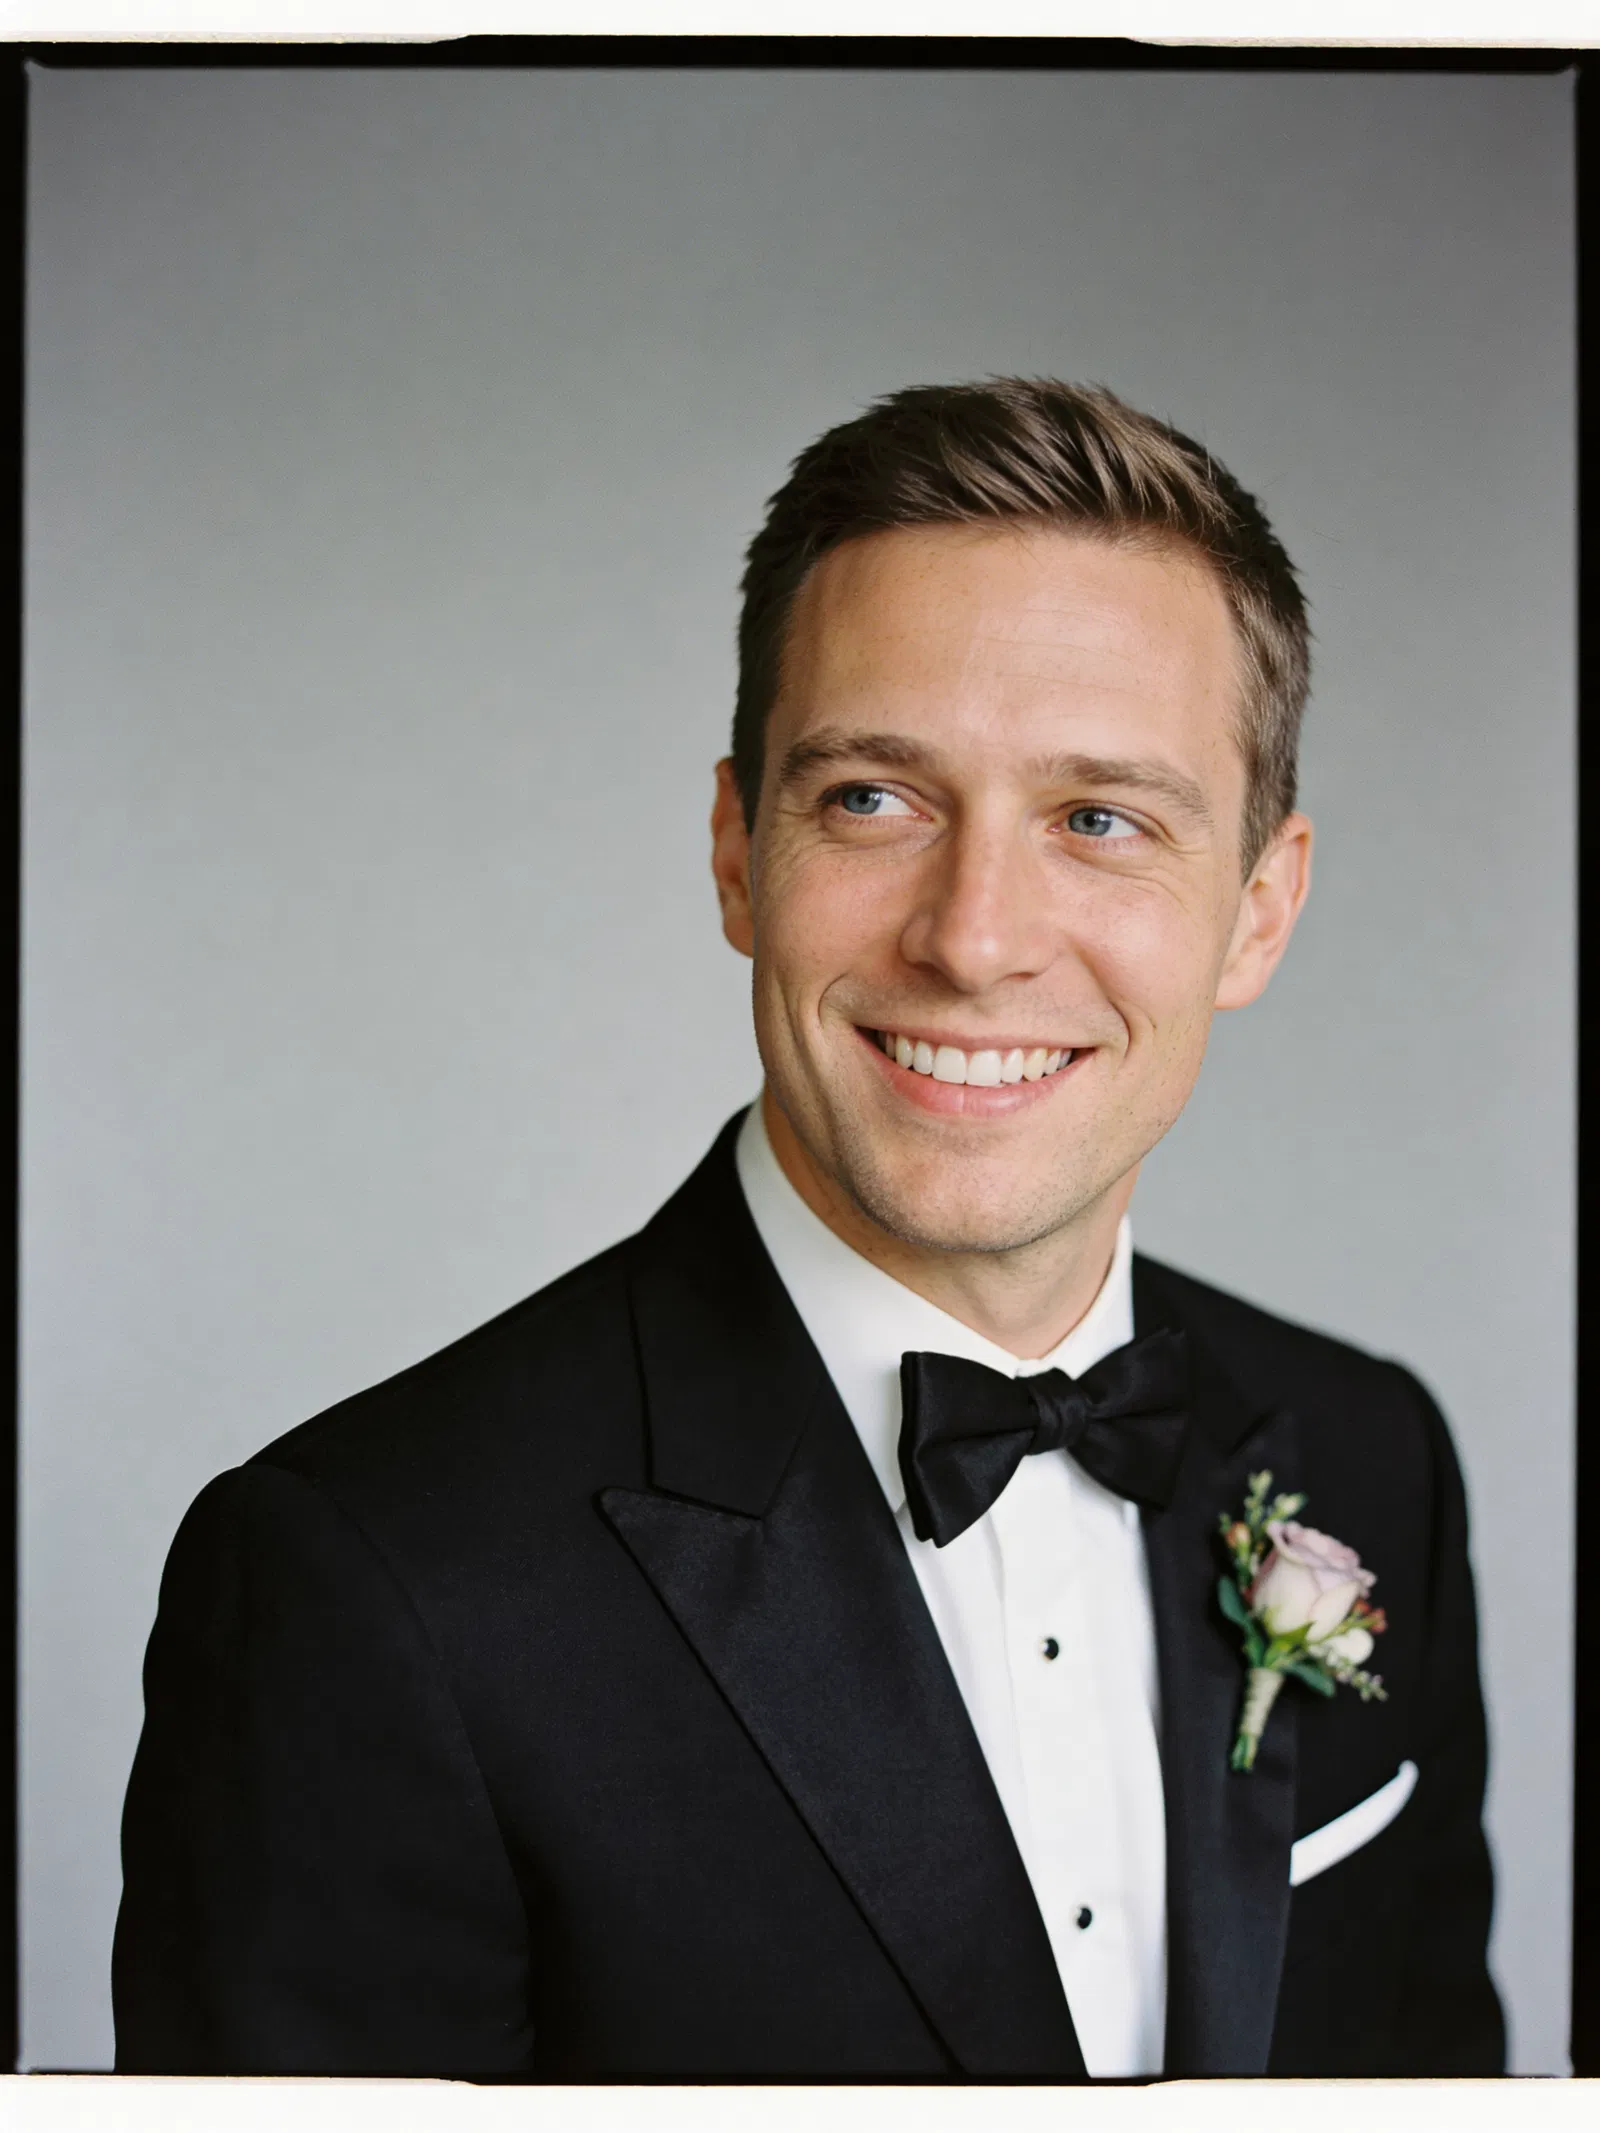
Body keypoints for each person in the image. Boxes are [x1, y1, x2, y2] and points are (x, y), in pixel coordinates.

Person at [112, 378, 1504, 2080]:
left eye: (1099, 820)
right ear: (736, 855)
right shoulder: (366, 1584)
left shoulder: (1378, 1458)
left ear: (1259, 909)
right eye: (872, 799)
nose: (977, 939)